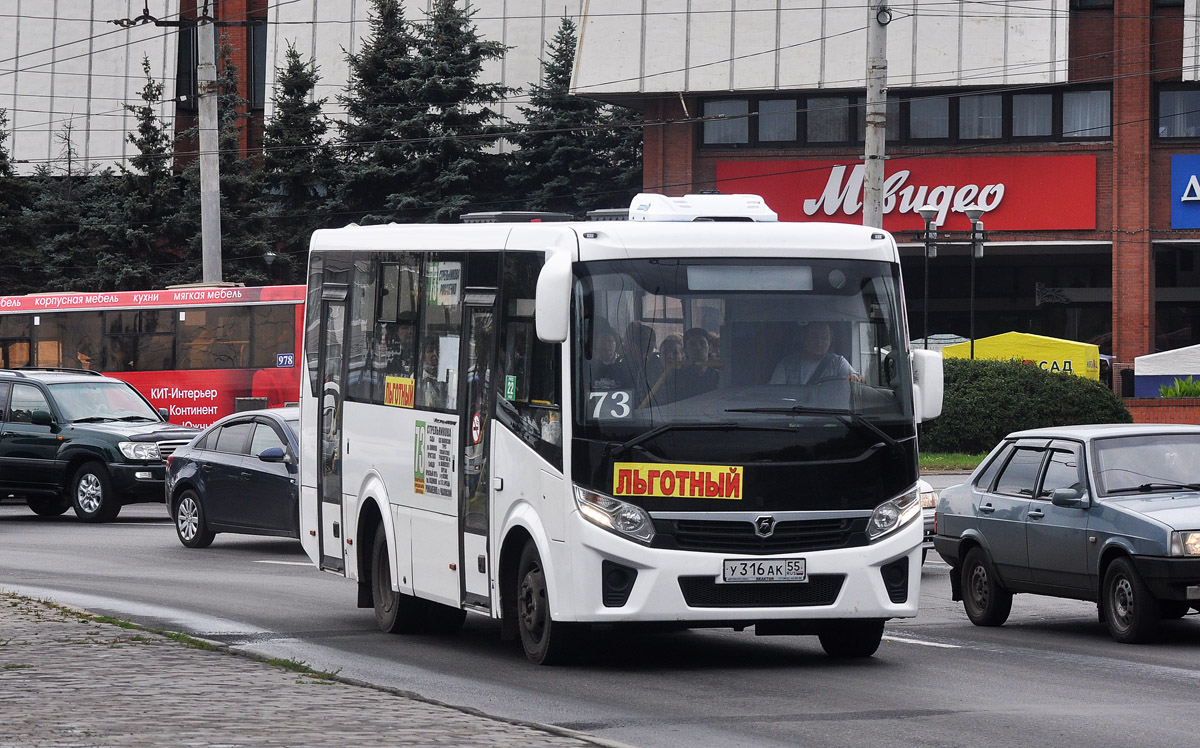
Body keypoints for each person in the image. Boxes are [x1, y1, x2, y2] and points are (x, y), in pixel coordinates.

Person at [769, 321, 864, 385]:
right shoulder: (786, 365)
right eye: (815, 338)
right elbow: (774, 393)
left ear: (830, 340)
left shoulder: (838, 363)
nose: (820, 343)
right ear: (803, 338)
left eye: (825, 338)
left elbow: (859, 381)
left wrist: (855, 378)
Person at [589, 321, 630, 391]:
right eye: (602, 341)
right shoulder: (590, 365)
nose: (606, 345)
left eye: (610, 341)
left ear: (616, 344)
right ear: (596, 344)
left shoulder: (624, 364)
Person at [419, 336, 446, 408]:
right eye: (430, 351)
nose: (434, 354)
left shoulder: (446, 376)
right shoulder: (418, 377)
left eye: (437, 351)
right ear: (423, 355)